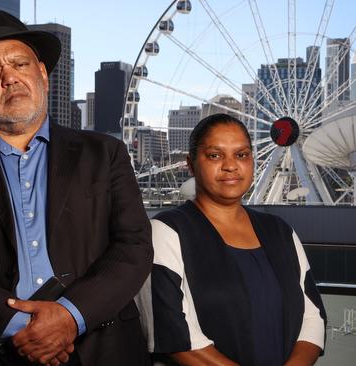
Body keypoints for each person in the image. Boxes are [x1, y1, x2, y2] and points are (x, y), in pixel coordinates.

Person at [0, 9, 153, 366]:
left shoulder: (105, 153)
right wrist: (17, 326)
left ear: (43, 75)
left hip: (103, 348)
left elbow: (133, 246)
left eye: (20, 65)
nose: (9, 78)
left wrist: (70, 316)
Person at [138, 113, 327, 365]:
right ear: (191, 165)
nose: (230, 165)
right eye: (215, 155)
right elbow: (176, 336)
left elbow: (312, 318)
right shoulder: (166, 232)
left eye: (241, 155)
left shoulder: (280, 231)